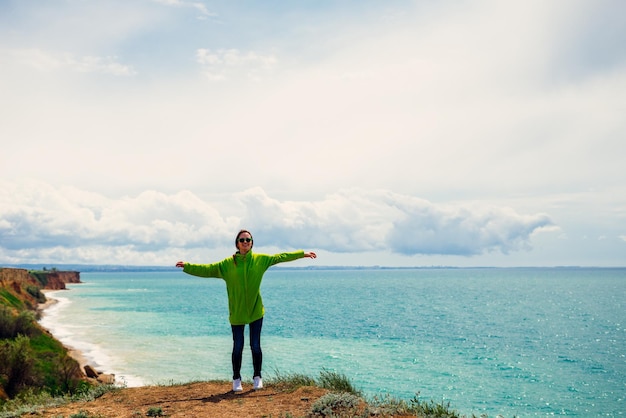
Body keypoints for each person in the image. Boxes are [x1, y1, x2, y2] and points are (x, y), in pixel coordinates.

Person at [175, 229, 317, 392]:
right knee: (238, 347)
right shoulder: (226, 264)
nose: (245, 242)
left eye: (248, 240)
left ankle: (257, 377)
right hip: (237, 312)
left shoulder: (260, 260)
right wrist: (187, 266)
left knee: (255, 346)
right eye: (242, 240)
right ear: (237, 243)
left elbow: (281, 257)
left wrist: (303, 254)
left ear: (251, 243)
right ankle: (236, 379)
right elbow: (206, 269)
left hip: (256, 311)